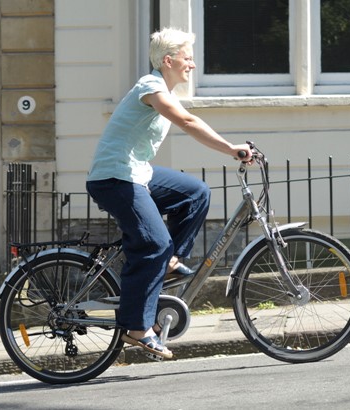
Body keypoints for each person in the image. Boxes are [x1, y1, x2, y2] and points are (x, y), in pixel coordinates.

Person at [86, 28, 252, 360]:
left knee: (196, 193)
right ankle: (136, 326)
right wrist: (232, 149)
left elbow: (186, 121)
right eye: (187, 58)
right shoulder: (151, 87)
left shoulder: (162, 89)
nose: (192, 64)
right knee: (153, 244)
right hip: (114, 177)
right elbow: (188, 122)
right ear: (168, 60)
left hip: (136, 173)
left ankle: (170, 261)